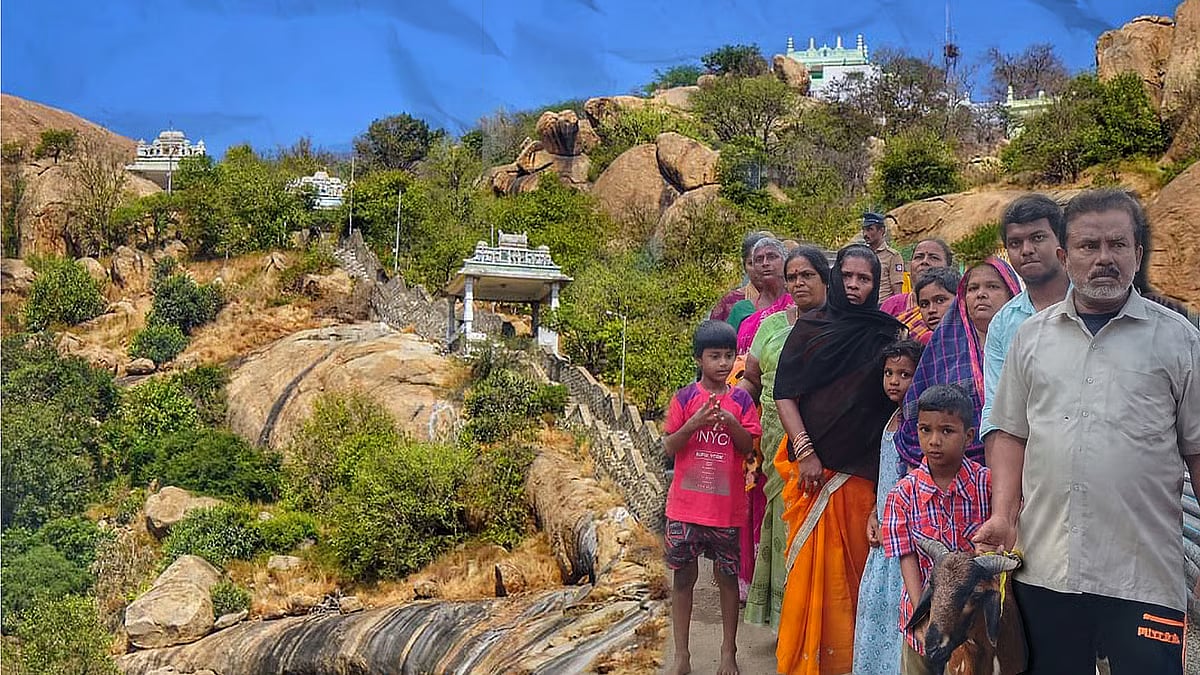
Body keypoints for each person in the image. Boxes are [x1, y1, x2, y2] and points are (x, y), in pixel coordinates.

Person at [975, 189, 1200, 674]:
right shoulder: (1030, 338)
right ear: (1064, 256)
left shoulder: (1177, 338)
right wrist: (1003, 515)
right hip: (1046, 568)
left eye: (1118, 245)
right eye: (1089, 246)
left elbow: (1199, 449)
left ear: (1138, 254)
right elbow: (1011, 433)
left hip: (1145, 573)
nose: (1104, 258)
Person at [771, 244, 905, 675]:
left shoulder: (888, 333)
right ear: (834, 278)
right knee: (812, 584)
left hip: (864, 476)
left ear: (875, 283)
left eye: (863, 279)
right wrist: (806, 451)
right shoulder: (810, 328)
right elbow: (785, 394)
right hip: (816, 475)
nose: (853, 285)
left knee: (856, 581)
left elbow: (898, 400)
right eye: (846, 276)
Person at [663, 320, 763, 675]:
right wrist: (694, 423)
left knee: (726, 580)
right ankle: (681, 656)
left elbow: (748, 445)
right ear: (698, 359)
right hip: (685, 508)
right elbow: (669, 446)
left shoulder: (741, 401)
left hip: (726, 510)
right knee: (683, 579)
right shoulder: (684, 398)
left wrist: (730, 422)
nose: (722, 363)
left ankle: (727, 652)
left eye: (728, 356)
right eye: (714, 356)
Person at [740, 246, 831, 627]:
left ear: (826, 279)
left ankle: (816, 626)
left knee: (820, 536)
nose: (798, 283)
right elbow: (751, 379)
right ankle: (786, 623)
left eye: (807, 275)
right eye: (792, 277)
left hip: (827, 449)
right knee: (783, 529)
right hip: (779, 450)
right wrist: (722, 409)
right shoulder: (771, 326)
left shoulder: (839, 325)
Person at [882, 384, 992, 675]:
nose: (934, 441)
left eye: (946, 431)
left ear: (969, 436)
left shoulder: (987, 485)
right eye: (925, 430)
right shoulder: (903, 494)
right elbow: (906, 557)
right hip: (923, 621)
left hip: (973, 623)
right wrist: (923, 615)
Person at [895, 257, 1020, 468]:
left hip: (1018, 463)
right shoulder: (943, 348)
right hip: (949, 474)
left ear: (1011, 292)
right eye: (972, 288)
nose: (981, 294)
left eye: (992, 286)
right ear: (963, 298)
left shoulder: (1029, 341)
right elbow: (915, 417)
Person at [979, 194, 1070, 463]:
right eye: (1015, 243)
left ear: (1061, 242)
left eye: (1038, 238)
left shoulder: (1094, 305)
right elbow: (997, 410)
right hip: (1034, 464)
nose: (1026, 249)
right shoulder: (1004, 323)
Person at [853, 339, 924, 675]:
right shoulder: (893, 417)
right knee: (876, 612)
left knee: (901, 614)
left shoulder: (917, 426)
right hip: (882, 538)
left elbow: (913, 488)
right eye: (889, 373)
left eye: (905, 374)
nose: (894, 381)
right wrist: (873, 512)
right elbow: (885, 477)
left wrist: (891, 522)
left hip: (904, 540)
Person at [880, 238, 955, 343]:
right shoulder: (891, 305)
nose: (924, 261)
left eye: (934, 257)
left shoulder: (955, 305)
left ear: (948, 267)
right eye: (919, 257)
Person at [734, 237, 792, 353]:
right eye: (759, 259)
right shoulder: (741, 310)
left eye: (772, 257)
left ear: (785, 261)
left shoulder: (799, 302)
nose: (765, 263)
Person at [710, 231, 774, 323]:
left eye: (764, 261)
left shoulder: (790, 299)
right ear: (744, 266)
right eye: (751, 263)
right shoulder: (730, 302)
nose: (758, 268)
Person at [862, 212, 905, 302]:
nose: (865, 234)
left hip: (883, 306)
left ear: (881, 231)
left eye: (870, 229)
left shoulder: (892, 256)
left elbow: (897, 290)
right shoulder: (862, 254)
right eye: (864, 230)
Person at [912, 267, 960, 336]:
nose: (931, 310)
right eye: (924, 305)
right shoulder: (929, 344)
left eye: (940, 300)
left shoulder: (975, 340)